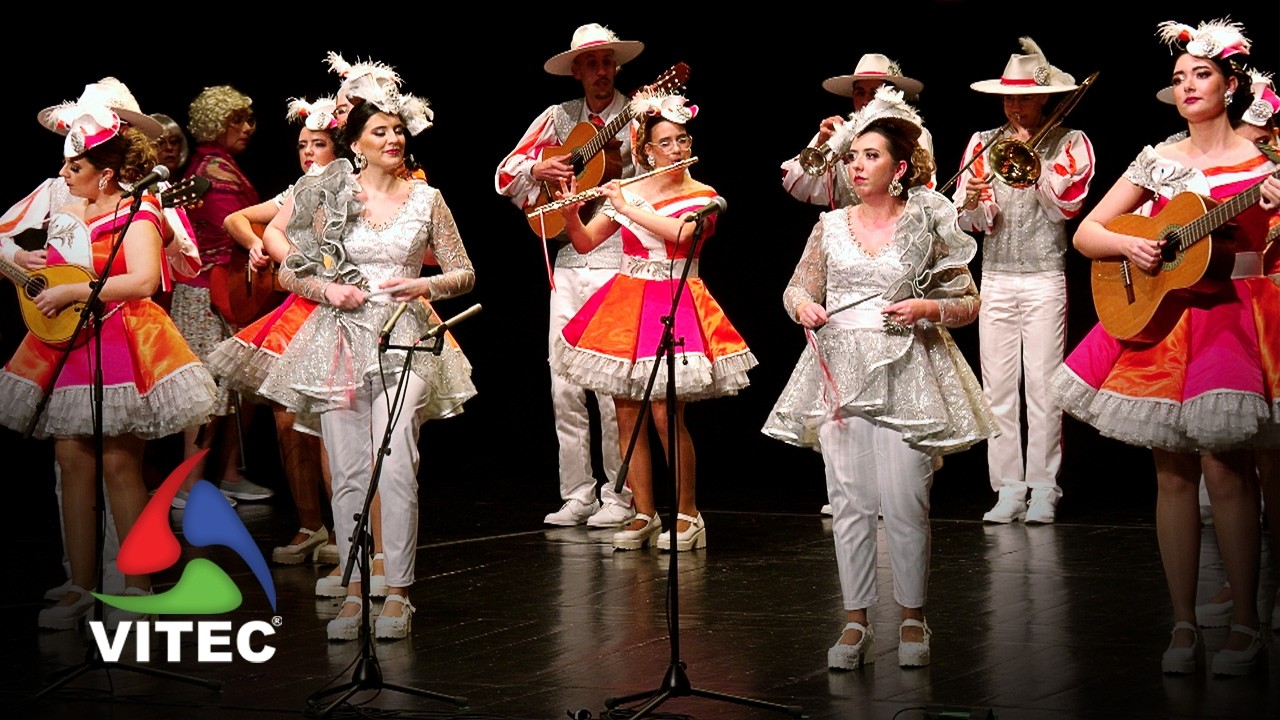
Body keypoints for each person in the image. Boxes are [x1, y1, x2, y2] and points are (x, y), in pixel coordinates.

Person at [1050, 18, 1280, 676]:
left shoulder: (1264, 161)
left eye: (1201, 74)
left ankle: (1246, 624)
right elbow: (1089, 234)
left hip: (1233, 317)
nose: (1187, 87)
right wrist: (1133, 243)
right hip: (1168, 319)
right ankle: (1183, 626)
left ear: (1231, 84)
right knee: (1172, 475)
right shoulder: (1159, 158)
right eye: (1178, 78)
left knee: (1228, 474)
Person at [762, 86, 996, 670]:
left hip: (907, 369)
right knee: (848, 501)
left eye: (870, 155)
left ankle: (913, 617)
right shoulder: (831, 225)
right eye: (852, 156)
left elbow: (968, 298)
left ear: (899, 167)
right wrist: (803, 309)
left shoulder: (926, 222)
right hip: (839, 369)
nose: (857, 165)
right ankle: (855, 621)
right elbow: (797, 288)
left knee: (907, 499)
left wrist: (927, 310)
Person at [232, 84, 476, 641]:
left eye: (397, 129)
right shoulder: (329, 197)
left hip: (403, 337)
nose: (393, 138)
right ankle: (356, 588)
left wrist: (424, 283)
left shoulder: (427, 198)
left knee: (394, 459)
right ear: (356, 143)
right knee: (346, 470)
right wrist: (325, 290)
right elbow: (289, 271)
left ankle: (399, 593)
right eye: (380, 131)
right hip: (339, 338)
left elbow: (465, 272)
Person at [0, 83, 218, 630]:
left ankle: (137, 586)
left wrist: (77, 290)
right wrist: (23, 261)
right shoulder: (61, 205)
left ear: (105, 171)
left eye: (75, 165)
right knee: (70, 462)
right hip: (64, 342)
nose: (64, 173)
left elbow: (143, 278)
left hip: (120, 336)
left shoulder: (138, 207)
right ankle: (82, 585)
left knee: (120, 463)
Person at [550, 93, 757, 551]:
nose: (678, 149)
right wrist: (569, 213)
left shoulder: (703, 196)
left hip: (676, 296)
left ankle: (688, 513)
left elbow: (684, 238)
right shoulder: (630, 191)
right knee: (626, 410)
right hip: (626, 300)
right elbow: (585, 244)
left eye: (682, 139)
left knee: (665, 412)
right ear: (646, 151)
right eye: (667, 143)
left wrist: (624, 206)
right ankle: (643, 511)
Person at [495, 22, 640, 529]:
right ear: (576, 70)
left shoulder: (637, 115)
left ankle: (621, 495)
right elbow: (504, 173)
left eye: (607, 62)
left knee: (610, 388)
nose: (601, 71)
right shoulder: (558, 119)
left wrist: (622, 168)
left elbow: (663, 174)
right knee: (564, 382)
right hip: (569, 261)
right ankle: (578, 491)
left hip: (620, 256)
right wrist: (539, 171)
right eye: (591, 63)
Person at [952, 38, 1096, 525]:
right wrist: (974, 197)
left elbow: (1066, 208)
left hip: (1043, 278)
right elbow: (973, 224)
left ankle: (1044, 486)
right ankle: (1008, 487)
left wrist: (1033, 172)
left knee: (1043, 385)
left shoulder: (1071, 142)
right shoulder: (983, 141)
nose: (1015, 107)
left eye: (1025, 97)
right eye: (1008, 98)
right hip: (994, 276)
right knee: (997, 388)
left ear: (1045, 98)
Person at [215, 96, 341, 567]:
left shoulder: (349, 189)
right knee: (286, 418)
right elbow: (237, 218)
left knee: (330, 425)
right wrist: (254, 247)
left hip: (336, 308)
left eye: (319, 144)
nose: (309, 153)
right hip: (296, 311)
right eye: (303, 145)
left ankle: (349, 531)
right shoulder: (295, 192)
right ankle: (310, 523)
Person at [170, 84, 274, 509]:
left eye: (250, 119)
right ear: (216, 124)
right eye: (237, 120)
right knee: (205, 393)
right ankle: (189, 486)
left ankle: (227, 475)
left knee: (237, 387)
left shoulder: (224, 165)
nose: (248, 127)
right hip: (202, 293)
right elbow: (227, 225)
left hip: (229, 290)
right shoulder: (210, 170)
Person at [781, 53, 933, 211]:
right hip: (851, 231)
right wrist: (820, 144)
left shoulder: (915, 133)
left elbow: (926, 194)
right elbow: (798, 186)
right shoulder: (837, 133)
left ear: (889, 96)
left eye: (874, 93)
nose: (866, 100)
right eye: (860, 92)